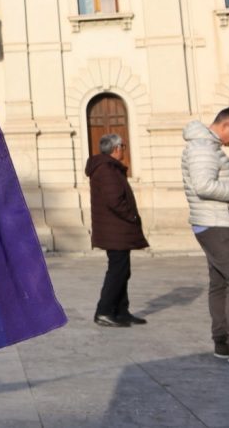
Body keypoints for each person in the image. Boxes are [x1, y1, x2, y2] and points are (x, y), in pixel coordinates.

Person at [181, 107, 229, 365]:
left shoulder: (207, 147)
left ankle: (222, 342)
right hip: (217, 225)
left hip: (214, 223)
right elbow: (204, 186)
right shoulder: (203, 149)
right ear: (225, 126)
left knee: (221, 282)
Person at [87, 133, 148, 328]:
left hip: (116, 229)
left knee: (123, 271)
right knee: (117, 271)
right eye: (123, 146)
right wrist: (132, 217)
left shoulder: (110, 168)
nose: (124, 150)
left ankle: (121, 311)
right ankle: (104, 311)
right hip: (115, 229)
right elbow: (114, 200)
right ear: (116, 149)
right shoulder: (106, 169)